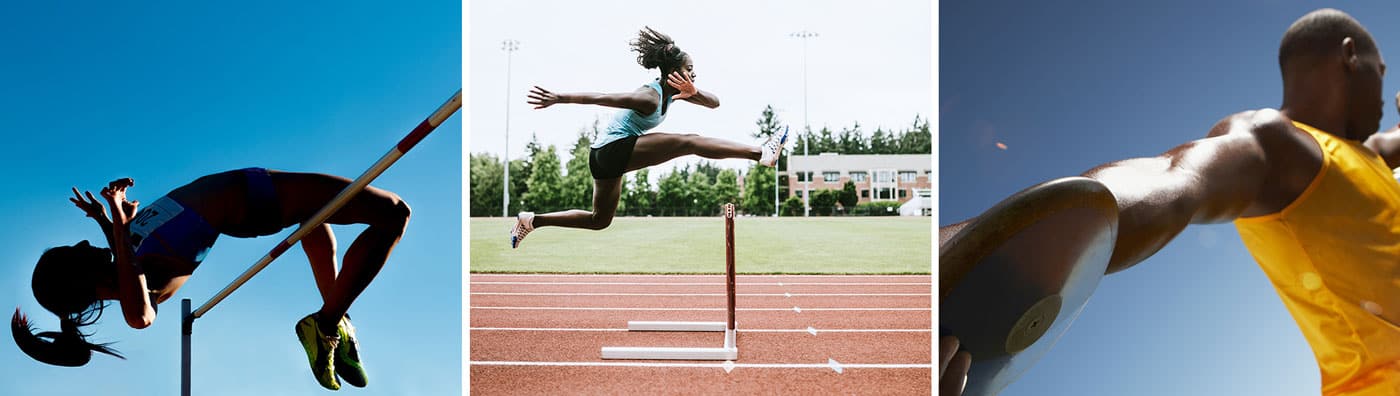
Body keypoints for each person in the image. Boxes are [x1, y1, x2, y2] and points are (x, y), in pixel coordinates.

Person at [942, 9, 1400, 395]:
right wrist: (957, 257)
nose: (1383, 94)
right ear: (1349, 55)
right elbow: (1171, 178)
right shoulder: (1278, 145)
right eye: (1382, 72)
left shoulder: (1368, 157)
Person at [11, 168, 411, 391]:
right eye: (74, 251)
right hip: (248, 199)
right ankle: (326, 323)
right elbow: (140, 314)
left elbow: (125, 259)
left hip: (245, 190)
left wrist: (105, 219)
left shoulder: (125, 266)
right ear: (80, 277)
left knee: (318, 222)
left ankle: (332, 325)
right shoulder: (136, 289)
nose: (81, 242)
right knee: (394, 212)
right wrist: (116, 220)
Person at [509, 26, 787, 248]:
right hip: (611, 150)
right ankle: (761, 153)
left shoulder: (675, 93)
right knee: (688, 141)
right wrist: (559, 97)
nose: (694, 74)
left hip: (604, 158)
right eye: (690, 70)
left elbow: (714, 103)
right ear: (674, 72)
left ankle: (531, 221)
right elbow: (604, 97)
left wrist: (694, 92)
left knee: (599, 220)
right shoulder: (650, 96)